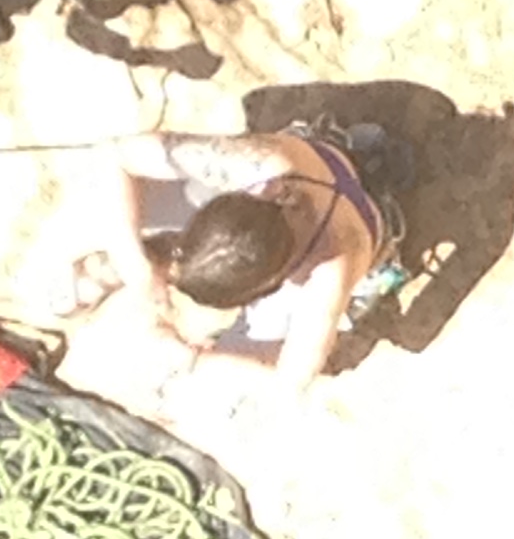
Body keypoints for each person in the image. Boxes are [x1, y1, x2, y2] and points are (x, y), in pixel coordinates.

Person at [108, 126, 401, 394]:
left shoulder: (329, 270)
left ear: (271, 285)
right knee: (138, 216)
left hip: (363, 225)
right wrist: (131, 255)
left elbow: (294, 377)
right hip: (319, 167)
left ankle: (378, 258)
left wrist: (194, 360)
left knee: (264, 337)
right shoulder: (257, 165)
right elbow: (122, 152)